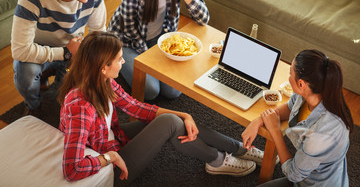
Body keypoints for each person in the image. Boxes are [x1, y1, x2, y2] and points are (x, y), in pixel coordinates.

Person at [58, 31, 267, 185]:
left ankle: (239, 149)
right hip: (112, 168)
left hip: (111, 138)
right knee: (170, 123)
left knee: (178, 121)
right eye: (119, 59)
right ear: (103, 67)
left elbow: (136, 108)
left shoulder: (102, 81)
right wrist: (108, 158)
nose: (123, 62)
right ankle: (218, 160)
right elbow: (71, 169)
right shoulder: (81, 107)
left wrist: (185, 114)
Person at [11, 0, 106, 116]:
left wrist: (94, 57)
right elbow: (20, 50)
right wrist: (65, 53)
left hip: (74, 49)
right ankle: (33, 105)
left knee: (66, 99)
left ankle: (58, 93)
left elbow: (98, 31)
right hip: (41, 50)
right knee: (25, 74)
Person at [107, 0, 210, 101]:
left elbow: (203, 18)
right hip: (127, 40)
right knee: (150, 90)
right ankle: (115, 61)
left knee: (173, 91)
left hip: (159, 39)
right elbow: (128, 27)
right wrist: (150, 58)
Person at [242, 49, 354, 187]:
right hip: (305, 177)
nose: (288, 77)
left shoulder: (321, 133)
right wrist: (259, 120)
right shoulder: (311, 94)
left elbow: (293, 174)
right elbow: (289, 108)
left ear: (301, 84)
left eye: (290, 73)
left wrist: (275, 130)